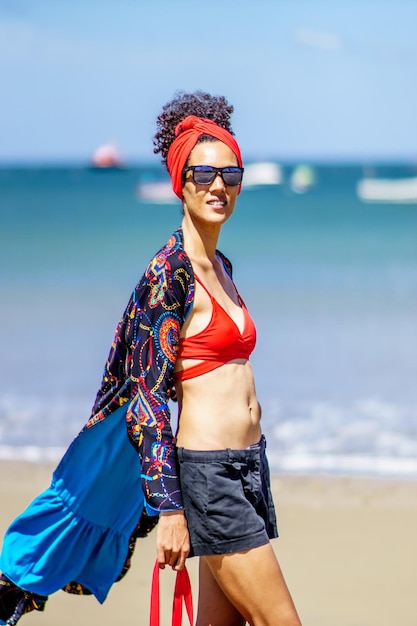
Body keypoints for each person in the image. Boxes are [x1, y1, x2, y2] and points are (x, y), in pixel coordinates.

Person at [0, 91, 301, 626]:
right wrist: (170, 509)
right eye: (203, 175)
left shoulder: (221, 265)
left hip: (248, 468)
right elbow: (145, 400)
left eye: (230, 175)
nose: (218, 187)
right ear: (179, 183)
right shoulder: (169, 274)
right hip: (211, 478)